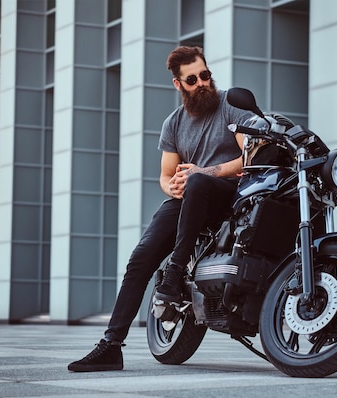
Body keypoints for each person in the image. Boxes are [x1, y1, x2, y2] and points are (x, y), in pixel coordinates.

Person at [67, 46, 253, 372]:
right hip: (189, 197)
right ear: (178, 84)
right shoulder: (174, 123)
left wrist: (203, 173)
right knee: (140, 259)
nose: (202, 83)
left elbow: (250, 158)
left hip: (227, 194)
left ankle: (175, 270)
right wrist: (173, 186)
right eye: (192, 79)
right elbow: (166, 176)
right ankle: (111, 345)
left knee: (195, 183)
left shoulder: (230, 106)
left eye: (205, 75)